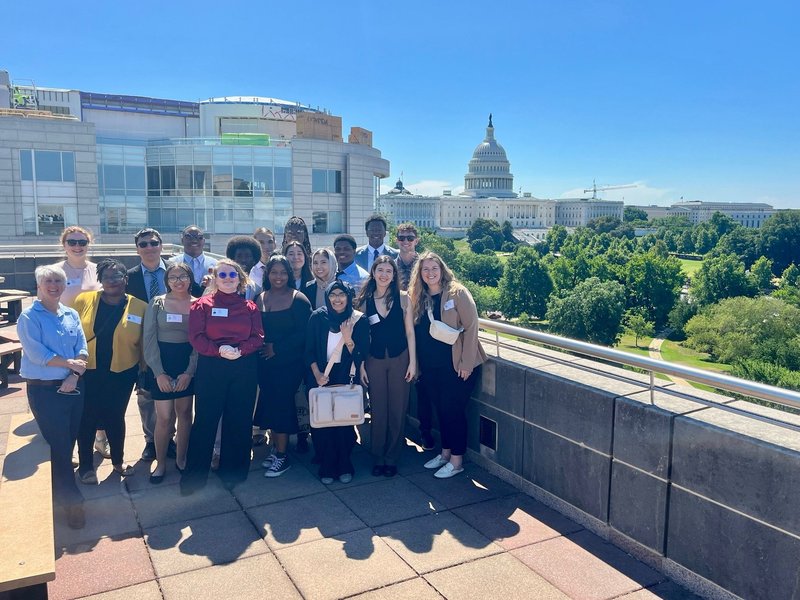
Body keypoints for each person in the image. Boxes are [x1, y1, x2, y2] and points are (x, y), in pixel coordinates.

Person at [181, 259, 263, 494]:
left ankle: (233, 472)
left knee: (238, 419)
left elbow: (258, 336)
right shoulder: (202, 305)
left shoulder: (250, 307)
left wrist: (240, 351)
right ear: (215, 279)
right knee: (206, 419)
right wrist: (218, 350)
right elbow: (195, 337)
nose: (228, 279)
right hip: (212, 366)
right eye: (223, 275)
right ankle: (195, 477)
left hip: (243, 366)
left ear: (240, 280)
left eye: (232, 275)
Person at [18, 265, 88, 529]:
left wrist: (75, 374)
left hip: (74, 385)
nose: (54, 285)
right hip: (45, 390)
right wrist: (71, 365)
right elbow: (39, 355)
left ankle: (59, 487)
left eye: (59, 280)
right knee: (59, 444)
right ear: (39, 284)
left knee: (68, 441)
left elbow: (82, 345)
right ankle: (72, 502)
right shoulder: (29, 317)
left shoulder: (70, 313)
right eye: (49, 281)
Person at [409, 252, 486, 479]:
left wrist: (467, 363)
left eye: (434, 268)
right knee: (441, 411)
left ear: (442, 269)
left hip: (457, 366)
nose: (430, 273)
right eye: (425, 269)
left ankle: (457, 460)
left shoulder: (457, 292)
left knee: (453, 412)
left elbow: (472, 327)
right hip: (432, 368)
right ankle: (445, 454)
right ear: (419, 274)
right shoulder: (419, 297)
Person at [74, 259, 147, 483]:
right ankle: (86, 465)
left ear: (126, 279)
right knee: (87, 417)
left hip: (122, 371)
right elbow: (72, 333)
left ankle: (118, 461)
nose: (112, 280)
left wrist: (143, 375)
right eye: (106, 276)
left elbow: (144, 344)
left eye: (117, 276)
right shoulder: (84, 300)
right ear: (100, 280)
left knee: (116, 417)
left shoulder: (140, 307)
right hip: (88, 370)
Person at [356, 256, 417, 477]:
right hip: (374, 360)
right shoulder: (364, 300)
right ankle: (377, 456)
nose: (384, 274)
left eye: (388, 271)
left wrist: (413, 362)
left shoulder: (403, 299)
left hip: (400, 358)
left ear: (394, 275)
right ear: (373, 273)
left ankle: (392, 457)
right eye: (380, 270)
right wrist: (361, 365)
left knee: (397, 409)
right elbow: (361, 337)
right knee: (378, 410)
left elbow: (410, 332)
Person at [54, 225, 110, 459]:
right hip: (64, 340)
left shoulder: (97, 270)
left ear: (89, 245)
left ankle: (100, 438)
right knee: (67, 394)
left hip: (94, 339)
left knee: (97, 392)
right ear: (64, 245)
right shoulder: (54, 271)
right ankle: (71, 444)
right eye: (72, 242)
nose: (77, 246)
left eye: (82, 242)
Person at [305, 280, 369, 484]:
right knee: (323, 423)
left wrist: (348, 338)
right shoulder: (317, 317)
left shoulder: (358, 320)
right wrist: (316, 374)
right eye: (333, 294)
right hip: (320, 375)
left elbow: (361, 356)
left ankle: (344, 463)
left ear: (349, 297)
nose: (337, 299)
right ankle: (327, 464)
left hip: (346, 375)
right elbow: (308, 351)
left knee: (343, 423)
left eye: (342, 294)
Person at [254, 255, 312, 477]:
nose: (278, 277)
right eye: (274, 272)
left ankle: (282, 455)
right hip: (264, 364)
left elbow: (303, 334)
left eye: (283, 272)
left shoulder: (299, 299)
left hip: (289, 363)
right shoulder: (259, 298)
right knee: (269, 403)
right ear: (267, 274)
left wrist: (276, 348)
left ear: (290, 274)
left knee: (283, 404)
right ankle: (275, 449)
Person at [143, 262, 197, 483]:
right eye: (173, 277)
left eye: (183, 276)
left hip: (186, 366)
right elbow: (148, 340)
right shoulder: (157, 303)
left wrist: (189, 373)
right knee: (164, 418)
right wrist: (159, 373)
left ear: (190, 279)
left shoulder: (198, 304)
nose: (178, 281)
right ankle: (161, 463)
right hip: (162, 366)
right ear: (167, 281)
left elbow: (199, 342)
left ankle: (182, 459)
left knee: (185, 415)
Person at [126, 227, 171, 462]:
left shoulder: (175, 272)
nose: (149, 248)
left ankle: (170, 438)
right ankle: (152, 440)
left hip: (173, 341)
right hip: (141, 343)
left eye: (153, 243)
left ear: (161, 245)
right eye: (143, 244)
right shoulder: (129, 277)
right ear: (137, 249)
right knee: (145, 394)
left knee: (173, 391)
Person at [394, 222, 434, 450]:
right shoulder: (390, 265)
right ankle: (397, 432)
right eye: (402, 238)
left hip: (422, 330)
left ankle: (425, 431)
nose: (406, 241)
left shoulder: (426, 265)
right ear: (396, 240)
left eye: (410, 238)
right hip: (397, 331)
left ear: (417, 240)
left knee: (423, 385)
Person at [171, 225, 217, 297]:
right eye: (189, 237)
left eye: (199, 237)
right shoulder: (172, 263)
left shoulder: (215, 264)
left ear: (204, 241)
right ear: (182, 240)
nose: (194, 240)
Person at [225, 235, 262, 300]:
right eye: (239, 256)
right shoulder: (222, 285)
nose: (243, 260)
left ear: (254, 260)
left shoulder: (257, 290)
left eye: (247, 256)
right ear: (232, 259)